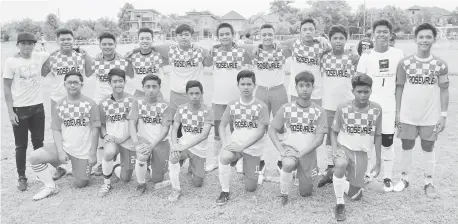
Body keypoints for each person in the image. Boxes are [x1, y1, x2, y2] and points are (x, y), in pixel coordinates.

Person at [393, 23, 449, 198]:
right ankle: (403, 178)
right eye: (421, 37)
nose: (424, 40)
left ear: (434, 39)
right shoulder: (404, 63)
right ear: (415, 39)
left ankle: (428, 182)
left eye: (428, 37)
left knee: (428, 146)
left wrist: (443, 115)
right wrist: (397, 112)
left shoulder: (440, 64)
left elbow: (444, 90)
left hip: (430, 116)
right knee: (406, 145)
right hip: (408, 115)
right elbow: (399, 87)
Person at [28, 71, 100, 200]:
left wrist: (93, 153)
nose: (72, 85)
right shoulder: (59, 105)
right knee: (34, 157)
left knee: (81, 183)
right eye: (69, 82)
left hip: (83, 152)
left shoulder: (90, 104)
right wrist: (60, 151)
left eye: (76, 82)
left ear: (81, 84)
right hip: (65, 148)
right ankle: (50, 186)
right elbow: (56, 130)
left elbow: (95, 130)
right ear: (65, 84)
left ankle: (76, 166)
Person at [356, 19, 404, 191]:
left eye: (385, 31)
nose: (382, 34)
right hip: (369, 107)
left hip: (389, 107)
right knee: (367, 141)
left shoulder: (398, 54)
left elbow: (400, 83)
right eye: (379, 31)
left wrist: (399, 111)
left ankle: (387, 177)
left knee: (387, 143)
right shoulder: (366, 56)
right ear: (373, 34)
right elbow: (358, 82)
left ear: (390, 34)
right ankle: (368, 173)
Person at [41, 28, 92, 180]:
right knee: (58, 131)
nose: (66, 42)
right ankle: (61, 165)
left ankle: (83, 161)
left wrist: (87, 55)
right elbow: (42, 74)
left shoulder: (80, 57)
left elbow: (89, 73)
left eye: (69, 39)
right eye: (62, 39)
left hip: (78, 100)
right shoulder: (52, 58)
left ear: (73, 40)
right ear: (57, 41)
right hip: (57, 99)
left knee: (81, 130)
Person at [269, 71, 327, 205]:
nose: (304, 89)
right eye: (301, 85)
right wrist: (281, 150)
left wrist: (301, 153)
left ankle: (301, 176)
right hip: (290, 150)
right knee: (288, 164)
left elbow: (319, 140)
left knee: (306, 193)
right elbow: (271, 130)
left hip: (307, 153)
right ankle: (284, 193)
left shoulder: (319, 111)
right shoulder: (287, 108)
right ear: (296, 88)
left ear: (313, 88)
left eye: (308, 85)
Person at [202, 23, 252, 173]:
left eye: (227, 34)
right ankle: (216, 159)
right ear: (218, 37)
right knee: (217, 132)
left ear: (233, 35)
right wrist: (214, 47)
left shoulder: (241, 51)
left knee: (238, 131)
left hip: (237, 100)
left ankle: (239, 160)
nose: (225, 37)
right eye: (221, 34)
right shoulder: (214, 52)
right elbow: (207, 63)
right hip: (218, 99)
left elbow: (249, 71)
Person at [331, 74, 382, 221]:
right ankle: (339, 203)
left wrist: (378, 162)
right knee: (340, 164)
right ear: (353, 91)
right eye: (359, 91)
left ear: (371, 91)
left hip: (361, 153)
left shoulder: (377, 110)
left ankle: (336, 178)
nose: (363, 95)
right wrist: (335, 149)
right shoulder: (343, 108)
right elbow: (333, 132)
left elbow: (378, 135)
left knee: (356, 195)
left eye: (366, 91)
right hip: (344, 148)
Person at [3, 32, 50, 191]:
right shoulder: (11, 62)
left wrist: (80, 50)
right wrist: (11, 112)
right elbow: (7, 87)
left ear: (34, 45)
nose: (27, 47)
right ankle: (21, 176)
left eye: (30, 43)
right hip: (20, 109)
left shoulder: (39, 56)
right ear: (18, 45)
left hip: (37, 107)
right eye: (23, 44)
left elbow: (52, 53)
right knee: (20, 145)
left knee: (38, 143)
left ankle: (41, 173)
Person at [215, 70, 269, 205]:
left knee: (251, 188)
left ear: (254, 86)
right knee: (224, 156)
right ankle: (224, 191)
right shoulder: (232, 104)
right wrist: (225, 143)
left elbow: (261, 132)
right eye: (243, 84)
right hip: (236, 145)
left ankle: (254, 168)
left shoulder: (261, 106)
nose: (246, 87)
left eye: (249, 84)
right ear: (238, 85)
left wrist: (242, 146)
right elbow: (222, 126)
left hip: (253, 149)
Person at [317, 25, 358, 188]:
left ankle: (347, 169)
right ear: (330, 39)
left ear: (346, 40)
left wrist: (355, 50)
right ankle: (329, 168)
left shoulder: (353, 57)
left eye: (341, 38)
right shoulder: (323, 57)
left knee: (347, 135)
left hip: (348, 105)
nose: (338, 41)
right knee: (329, 137)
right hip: (329, 105)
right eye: (335, 38)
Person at [89, 32, 132, 176]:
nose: (107, 47)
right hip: (100, 101)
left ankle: (120, 161)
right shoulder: (95, 61)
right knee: (103, 133)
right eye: (104, 44)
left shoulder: (124, 61)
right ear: (99, 45)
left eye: (110, 44)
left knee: (120, 128)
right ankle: (103, 163)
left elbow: (132, 77)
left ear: (115, 45)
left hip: (118, 102)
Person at [251, 23, 288, 178]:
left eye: (270, 34)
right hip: (261, 91)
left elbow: (299, 39)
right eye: (264, 34)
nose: (267, 37)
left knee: (281, 127)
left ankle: (282, 160)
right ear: (260, 36)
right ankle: (260, 161)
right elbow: (231, 43)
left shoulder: (282, 50)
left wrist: (321, 38)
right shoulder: (254, 52)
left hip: (278, 90)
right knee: (260, 126)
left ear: (274, 35)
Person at [127, 74, 173, 195]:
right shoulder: (137, 103)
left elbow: (165, 130)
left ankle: (150, 167)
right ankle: (141, 183)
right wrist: (136, 144)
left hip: (159, 142)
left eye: (154, 86)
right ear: (143, 87)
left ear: (159, 88)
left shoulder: (166, 105)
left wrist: (152, 146)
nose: (151, 89)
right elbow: (131, 124)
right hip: (143, 139)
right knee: (142, 155)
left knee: (157, 179)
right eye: (148, 86)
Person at [168, 80, 213, 202]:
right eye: (191, 93)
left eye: (197, 93)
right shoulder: (181, 109)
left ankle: (193, 167)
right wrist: (175, 145)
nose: (194, 96)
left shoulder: (207, 110)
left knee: (198, 183)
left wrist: (183, 146)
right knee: (173, 157)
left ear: (202, 93)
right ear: (186, 94)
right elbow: (174, 129)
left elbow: (204, 135)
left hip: (199, 149)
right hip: (184, 146)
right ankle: (175, 188)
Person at [96, 68, 136, 197]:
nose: (118, 84)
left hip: (128, 139)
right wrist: (106, 135)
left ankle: (117, 167)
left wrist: (124, 137)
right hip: (112, 139)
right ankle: (106, 182)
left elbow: (135, 124)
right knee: (109, 152)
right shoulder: (103, 103)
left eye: (121, 81)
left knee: (125, 178)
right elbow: (101, 125)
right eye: (115, 81)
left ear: (125, 82)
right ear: (109, 83)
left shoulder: (132, 101)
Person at [279, 18, 332, 105]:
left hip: (315, 92)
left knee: (314, 117)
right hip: (296, 91)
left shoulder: (322, 45)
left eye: (311, 29)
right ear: (300, 31)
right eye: (304, 29)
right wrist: (258, 47)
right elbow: (275, 45)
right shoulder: (293, 43)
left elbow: (334, 49)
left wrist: (323, 39)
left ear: (315, 31)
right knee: (296, 117)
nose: (308, 32)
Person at [125, 27, 164, 97]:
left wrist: (135, 49)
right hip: (139, 94)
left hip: (156, 94)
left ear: (152, 40)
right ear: (138, 40)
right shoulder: (132, 57)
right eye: (142, 39)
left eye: (148, 39)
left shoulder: (159, 56)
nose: (145, 41)